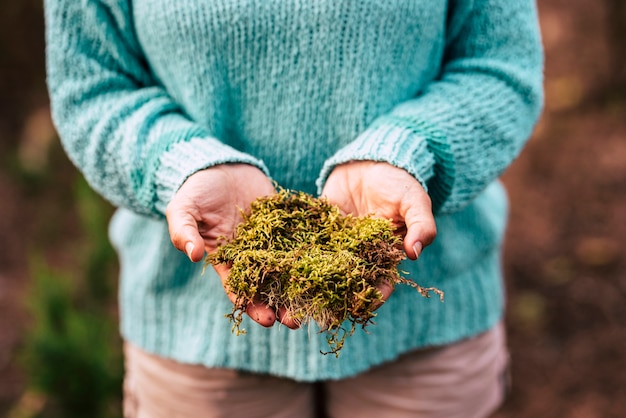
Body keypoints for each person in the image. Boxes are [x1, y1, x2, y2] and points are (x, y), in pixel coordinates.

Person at [44, 0, 543, 416]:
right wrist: (185, 165)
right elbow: (93, 86)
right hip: (197, 339)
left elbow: (500, 66)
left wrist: (407, 151)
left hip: (429, 330)